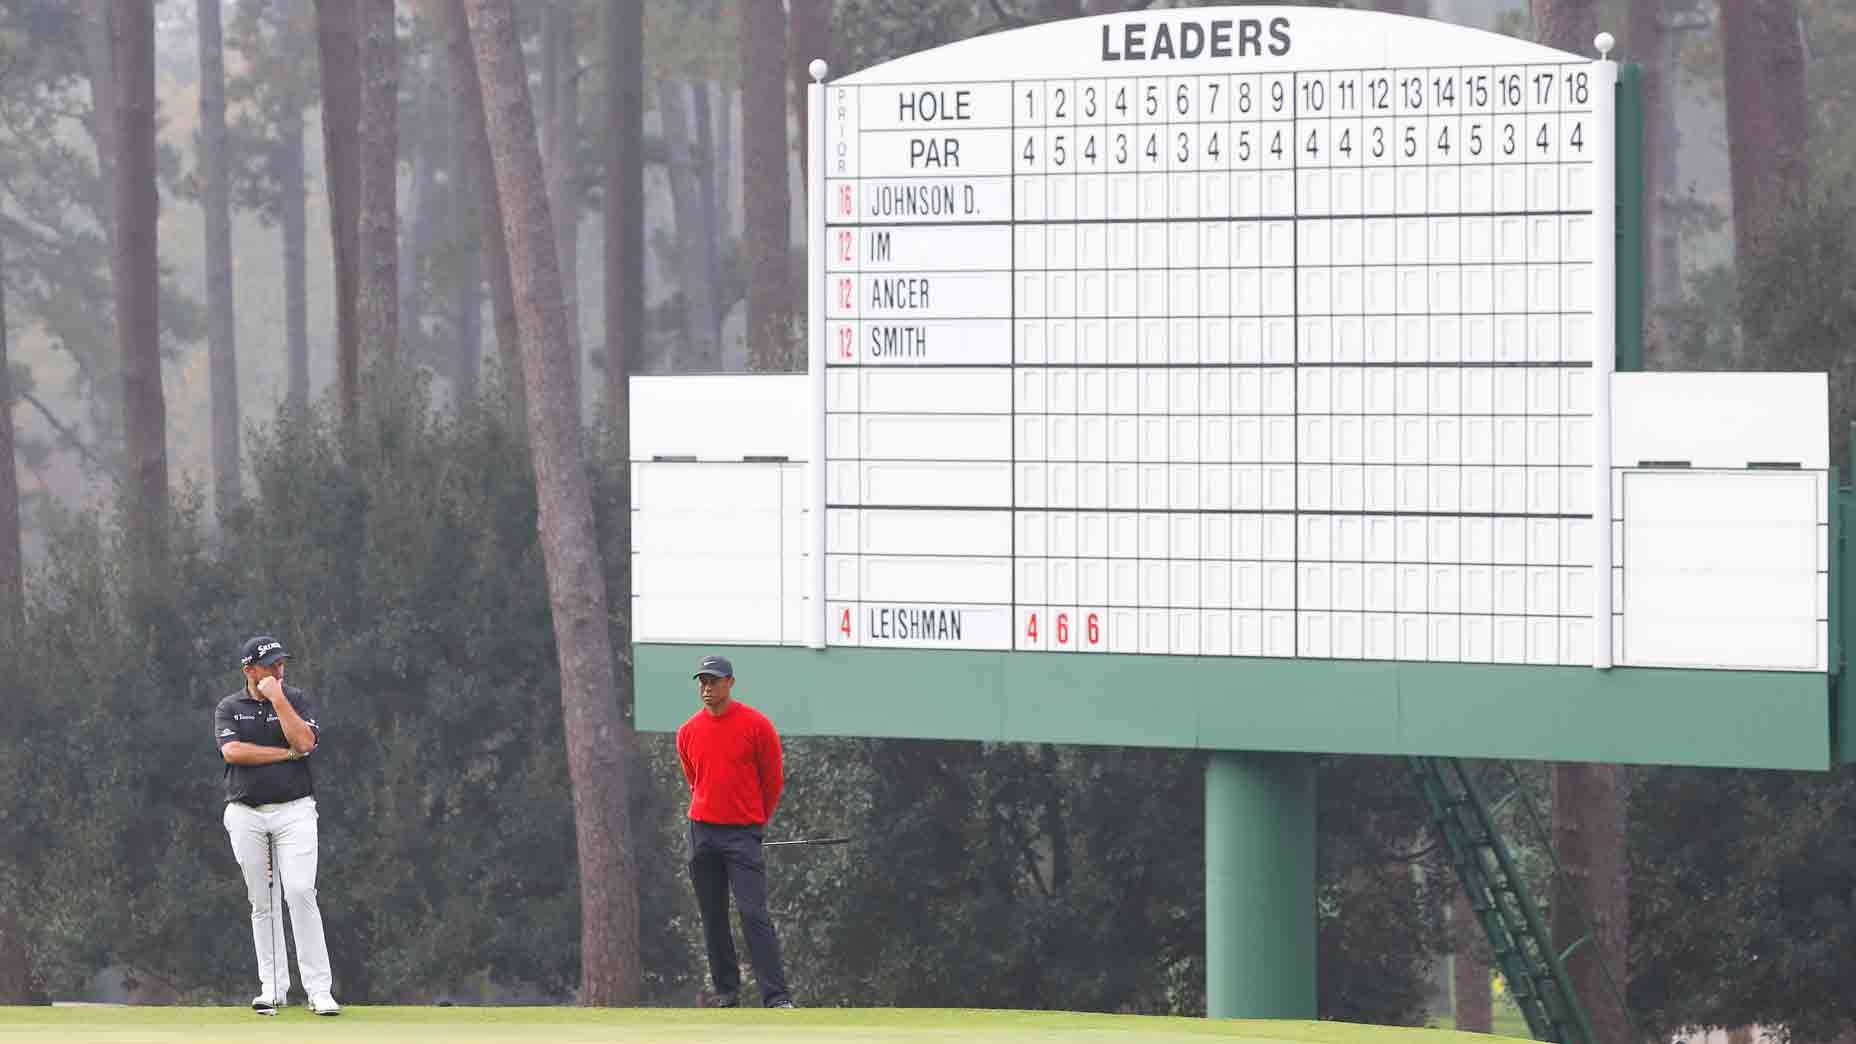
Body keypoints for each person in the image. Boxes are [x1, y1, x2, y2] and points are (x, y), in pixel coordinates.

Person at [214, 635, 340, 1017]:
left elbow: (305, 740)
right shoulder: (229, 707)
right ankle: (272, 988)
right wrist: (285, 755)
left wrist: (279, 699)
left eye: (281, 664)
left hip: (295, 809)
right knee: (262, 900)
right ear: (249, 670)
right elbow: (233, 752)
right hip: (246, 812)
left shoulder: (296, 700)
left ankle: (319, 991)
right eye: (270, 666)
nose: (279, 671)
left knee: (300, 891)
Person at [676, 654, 794, 1009]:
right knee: (713, 916)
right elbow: (694, 780)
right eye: (702, 682)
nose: (706, 688)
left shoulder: (757, 726)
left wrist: (755, 823)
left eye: (713, 681)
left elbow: (772, 781)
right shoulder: (688, 731)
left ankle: (776, 997)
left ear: (730, 682)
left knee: (753, 913)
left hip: (743, 833)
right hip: (702, 832)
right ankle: (727, 993)